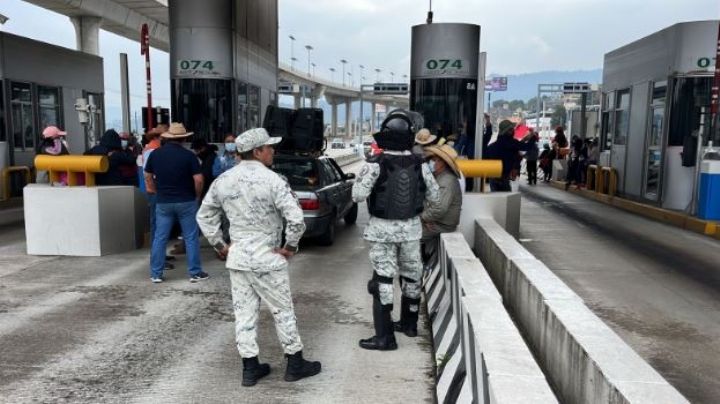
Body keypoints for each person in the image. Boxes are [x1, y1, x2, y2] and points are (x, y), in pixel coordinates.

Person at [196, 127, 321, 387]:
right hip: (268, 258)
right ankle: (294, 363)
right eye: (269, 147)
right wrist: (290, 248)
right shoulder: (275, 180)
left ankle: (250, 368)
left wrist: (221, 245)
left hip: (239, 258)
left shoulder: (223, 181)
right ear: (257, 151)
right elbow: (296, 220)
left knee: (244, 313)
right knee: (282, 310)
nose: (272, 151)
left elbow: (204, 216)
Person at [352, 109, 440, 349]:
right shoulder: (421, 164)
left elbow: (358, 195)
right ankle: (409, 325)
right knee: (412, 275)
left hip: (382, 231)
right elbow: (435, 196)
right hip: (411, 230)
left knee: (383, 279)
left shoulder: (374, 164)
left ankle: (384, 337)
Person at [144, 122, 209, 283]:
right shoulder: (189, 156)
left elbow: (147, 175)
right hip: (186, 201)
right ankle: (195, 272)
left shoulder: (155, 154)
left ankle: (156, 274)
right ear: (183, 139)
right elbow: (199, 179)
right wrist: (197, 196)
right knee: (191, 237)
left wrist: (154, 190)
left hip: (163, 201)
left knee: (160, 237)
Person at [419, 144, 463, 276]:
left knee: (410, 236)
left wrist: (423, 218)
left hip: (441, 224)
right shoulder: (439, 177)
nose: (431, 162)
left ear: (442, 163)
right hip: (436, 221)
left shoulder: (446, 181)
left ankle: (418, 269)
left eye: (434, 159)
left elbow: (439, 208)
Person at [486, 120, 532, 191]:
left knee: (495, 199)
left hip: (493, 178)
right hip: (505, 177)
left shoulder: (492, 146)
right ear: (507, 131)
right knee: (507, 199)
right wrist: (531, 138)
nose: (513, 131)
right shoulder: (512, 143)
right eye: (511, 129)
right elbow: (527, 147)